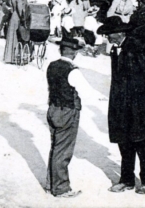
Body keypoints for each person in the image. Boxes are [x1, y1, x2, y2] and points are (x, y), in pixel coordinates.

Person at [104, 15, 145, 195]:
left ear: (120, 33)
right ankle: (127, 179)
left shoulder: (135, 48)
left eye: (110, 34)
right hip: (121, 103)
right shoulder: (117, 50)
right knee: (124, 141)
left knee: (141, 142)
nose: (108, 38)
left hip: (137, 104)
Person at [45, 37, 92, 198]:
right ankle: (61, 188)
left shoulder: (52, 65)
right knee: (63, 150)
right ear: (74, 53)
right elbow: (86, 90)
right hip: (67, 111)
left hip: (53, 108)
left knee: (55, 147)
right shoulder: (73, 69)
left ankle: (51, 183)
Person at [3, 0, 30, 64]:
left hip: (13, 16)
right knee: (18, 36)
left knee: (12, 36)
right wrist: (24, 18)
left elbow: (12, 7)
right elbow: (21, 9)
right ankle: (16, 57)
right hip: (18, 17)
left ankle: (9, 57)